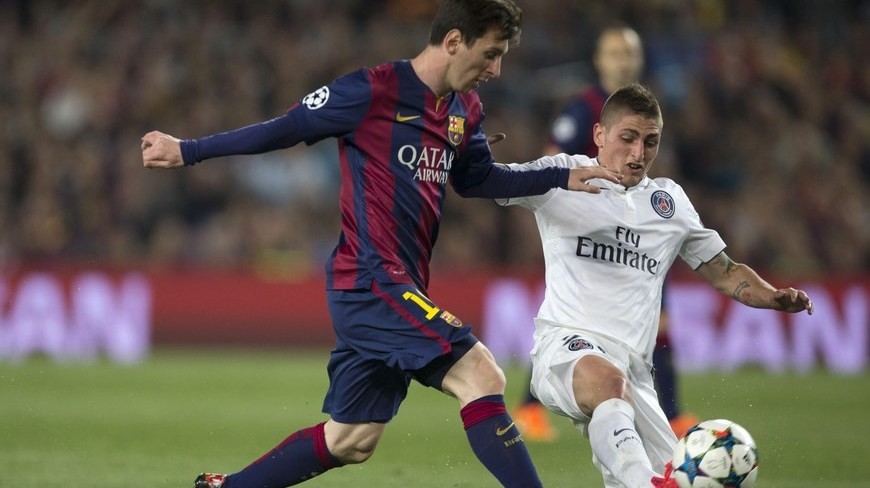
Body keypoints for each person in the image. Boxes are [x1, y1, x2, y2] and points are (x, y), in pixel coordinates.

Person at [141, 1, 621, 487]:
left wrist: (559, 176)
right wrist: (188, 150)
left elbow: (478, 180)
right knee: (481, 374)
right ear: (454, 41)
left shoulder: (464, 109)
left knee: (351, 439)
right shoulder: (372, 90)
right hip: (370, 279)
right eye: (490, 54)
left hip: (399, 284)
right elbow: (286, 128)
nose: (495, 70)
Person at [498, 83, 813, 487]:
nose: (639, 153)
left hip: (634, 373)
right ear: (599, 135)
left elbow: (725, 272)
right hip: (565, 346)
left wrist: (772, 296)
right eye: (628, 138)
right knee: (610, 385)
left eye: (650, 142)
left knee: (675, 472)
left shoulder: (669, 203)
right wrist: (465, 149)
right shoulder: (564, 174)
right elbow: (487, 181)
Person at [514, 25, 697, 443]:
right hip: (592, 231)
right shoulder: (584, 108)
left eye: (628, 54)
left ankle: (670, 413)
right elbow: (551, 161)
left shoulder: (642, 109)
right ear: (599, 61)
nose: (622, 62)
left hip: (637, 231)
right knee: (571, 323)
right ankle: (529, 405)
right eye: (614, 54)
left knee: (657, 320)